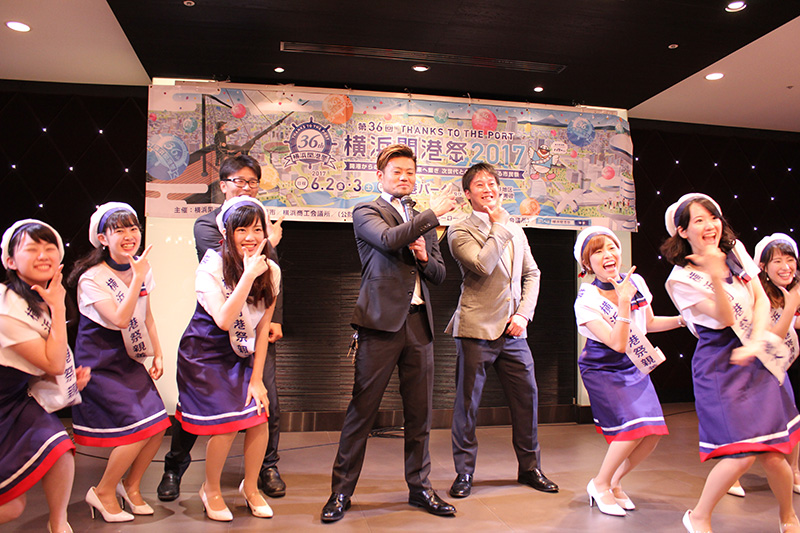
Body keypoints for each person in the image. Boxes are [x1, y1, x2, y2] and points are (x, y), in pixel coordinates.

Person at [321, 144, 457, 522]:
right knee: (362, 411)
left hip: (419, 325)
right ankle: (340, 492)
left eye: (410, 172)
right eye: (397, 171)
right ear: (380, 176)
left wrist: (425, 257)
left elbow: (440, 275)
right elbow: (387, 240)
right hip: (379, 324)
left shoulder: (421, 220)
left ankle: (420, 487)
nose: (404, 177)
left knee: (420, 414)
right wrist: (432, 215)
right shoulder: (367, 211)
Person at [661, 193, 800, 533]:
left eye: (714, 217)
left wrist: (757, 342)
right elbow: (724, 319)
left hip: (755, 352)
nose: (710, 225)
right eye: (699, 220)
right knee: (742, 452)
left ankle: (788, 517)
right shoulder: (680, 280)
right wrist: (713, 273)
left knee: (773, 452)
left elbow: (760, 300)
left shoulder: (735, 250)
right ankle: (698, 516)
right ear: (682, 231)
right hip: (720, 363)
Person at [157, 154, 287, 501]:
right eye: (239, 181)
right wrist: (268, 240)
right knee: (198, 407)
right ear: (223, 184)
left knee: (265, 402)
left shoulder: (262, 221)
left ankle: (266, 469)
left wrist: (274, 318)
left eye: (252, 182)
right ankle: (175, 467)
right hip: (216, 330)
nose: (246, 187)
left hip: (254, 328)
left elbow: (271, 275)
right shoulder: (207, 224)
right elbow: (231, 260)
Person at [445, 162, 558, 499]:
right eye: (479, 185)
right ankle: (464, 472)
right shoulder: (459, 230)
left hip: (514, 330)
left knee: (527, 399)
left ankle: (530, 468)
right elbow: (483, 264)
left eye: (492, 183)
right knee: (468, 405)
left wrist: (524, 314)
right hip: (476, 328)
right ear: (468, 194)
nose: (488, 189)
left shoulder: (514, 230)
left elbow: (532, 274)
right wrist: (498, 225)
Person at [175, 196, 279, 521]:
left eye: (257, 229)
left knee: (259, 414)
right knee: (227, 425)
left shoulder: (271, 270)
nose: (250, 237)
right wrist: (247, 276)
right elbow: (223, 320)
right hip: (204, 355)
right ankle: (211, 490)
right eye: (242, 230)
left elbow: (262, 329)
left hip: (241, 353)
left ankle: (252, 488)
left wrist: (257, 379)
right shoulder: (210, 267)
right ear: (227, 233)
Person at [68, 202, 171, 523]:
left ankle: (131, 486)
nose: (129, 236)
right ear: (103, 238)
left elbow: (146, 315)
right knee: (138, 429)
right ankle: (102, 491)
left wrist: (158, 352)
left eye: (133, 228)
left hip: (129, 359)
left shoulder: (141, 268)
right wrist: (137, 277)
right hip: (99, 363)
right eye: (120, 230)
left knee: (158, 425)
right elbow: (121, 318)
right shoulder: (91, 278)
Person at [573, 226, 681, 516]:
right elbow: (618, 344)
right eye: (598, 251)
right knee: (631, 430)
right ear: (587, 263)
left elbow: (649, 323)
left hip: (634, 365)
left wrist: (683, 320)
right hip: (603, 368)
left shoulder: (636, 283)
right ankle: (599, 483)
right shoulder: (586, 300)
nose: (607, 254)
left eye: (611, 247)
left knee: (652, 432)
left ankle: (614, 482)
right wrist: (622, 302)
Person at [0, 220, 90, 533]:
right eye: (32, 248)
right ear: (10, 261)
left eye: (50, 247)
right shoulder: (6, 306)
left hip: (14, 399)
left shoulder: (37, 301)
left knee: (59, 447)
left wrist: (65, 381)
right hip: (3, 403)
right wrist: (57, 306)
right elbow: (52, 363)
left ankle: (59, 524)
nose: (43, 255)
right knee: (11, 506)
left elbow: (42, 364)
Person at [728, 234, 800, 498]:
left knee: (792, 420)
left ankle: (795, 471)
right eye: (777, 261)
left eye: (790, 259)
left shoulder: (790, 291)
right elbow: (771, 339)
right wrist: (792, 306)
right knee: (749, 424)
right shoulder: (757, 295)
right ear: (763, 267)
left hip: (778, 366)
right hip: (754, 367)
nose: (785, 267)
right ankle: (731, 475)